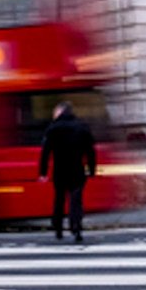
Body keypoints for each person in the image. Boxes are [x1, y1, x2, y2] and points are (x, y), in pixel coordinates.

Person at [37, 100, 97, 243]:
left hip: (60, 169)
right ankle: (76, 227)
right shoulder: (82, 127)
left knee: (59, 199)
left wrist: (43, 172)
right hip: (77, 168)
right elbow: (90, 151)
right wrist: (92, 169)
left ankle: (58, 227)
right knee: (76, 200)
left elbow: (45, 152)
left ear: (60, 112)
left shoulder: (53, 128)